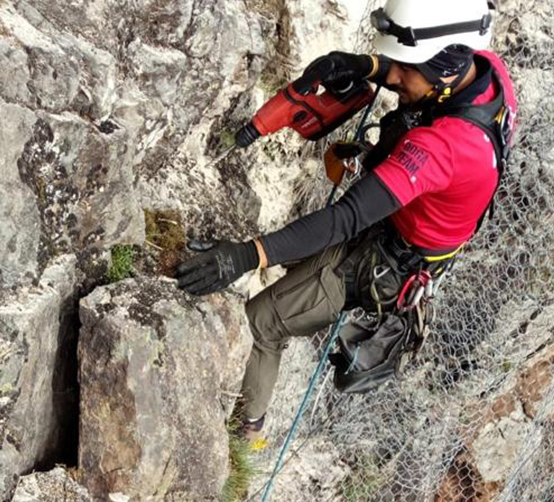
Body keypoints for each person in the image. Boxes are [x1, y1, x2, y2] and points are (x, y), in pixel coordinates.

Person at [175, 0, 517, 444]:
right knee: (294, 266)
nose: (394, 77)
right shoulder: (485, 69)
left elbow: (347, 218)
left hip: (386, 260)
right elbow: (411, 73)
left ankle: (245, 438)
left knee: (264, 320)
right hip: (408, 227)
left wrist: (248, 255)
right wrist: (362, 65)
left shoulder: (443, 149)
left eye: (404, 69)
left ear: (444, 74)